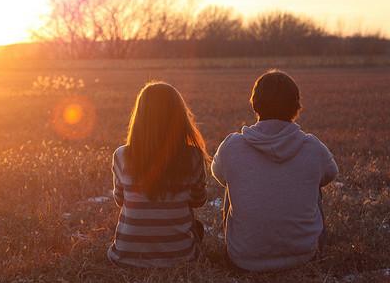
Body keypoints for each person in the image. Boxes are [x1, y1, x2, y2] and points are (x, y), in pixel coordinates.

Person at [211, 70, 338, 272]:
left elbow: (218, 174)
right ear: (296, 106)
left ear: (254, 103)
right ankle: (300, 239)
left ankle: (250, 241)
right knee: (314, 182)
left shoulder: (232, 146)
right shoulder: (313, 147)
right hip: (305, 257)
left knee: (231, 181)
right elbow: (330, 174)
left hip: (243, 259)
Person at [107, 82, 209, 268]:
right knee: (198, 228)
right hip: (181, 257)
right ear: (179, 117)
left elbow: (120, 199)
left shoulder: (121, 155)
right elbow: (198, 200)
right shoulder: (193, 156)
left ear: (139, 118)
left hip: (125, 256)